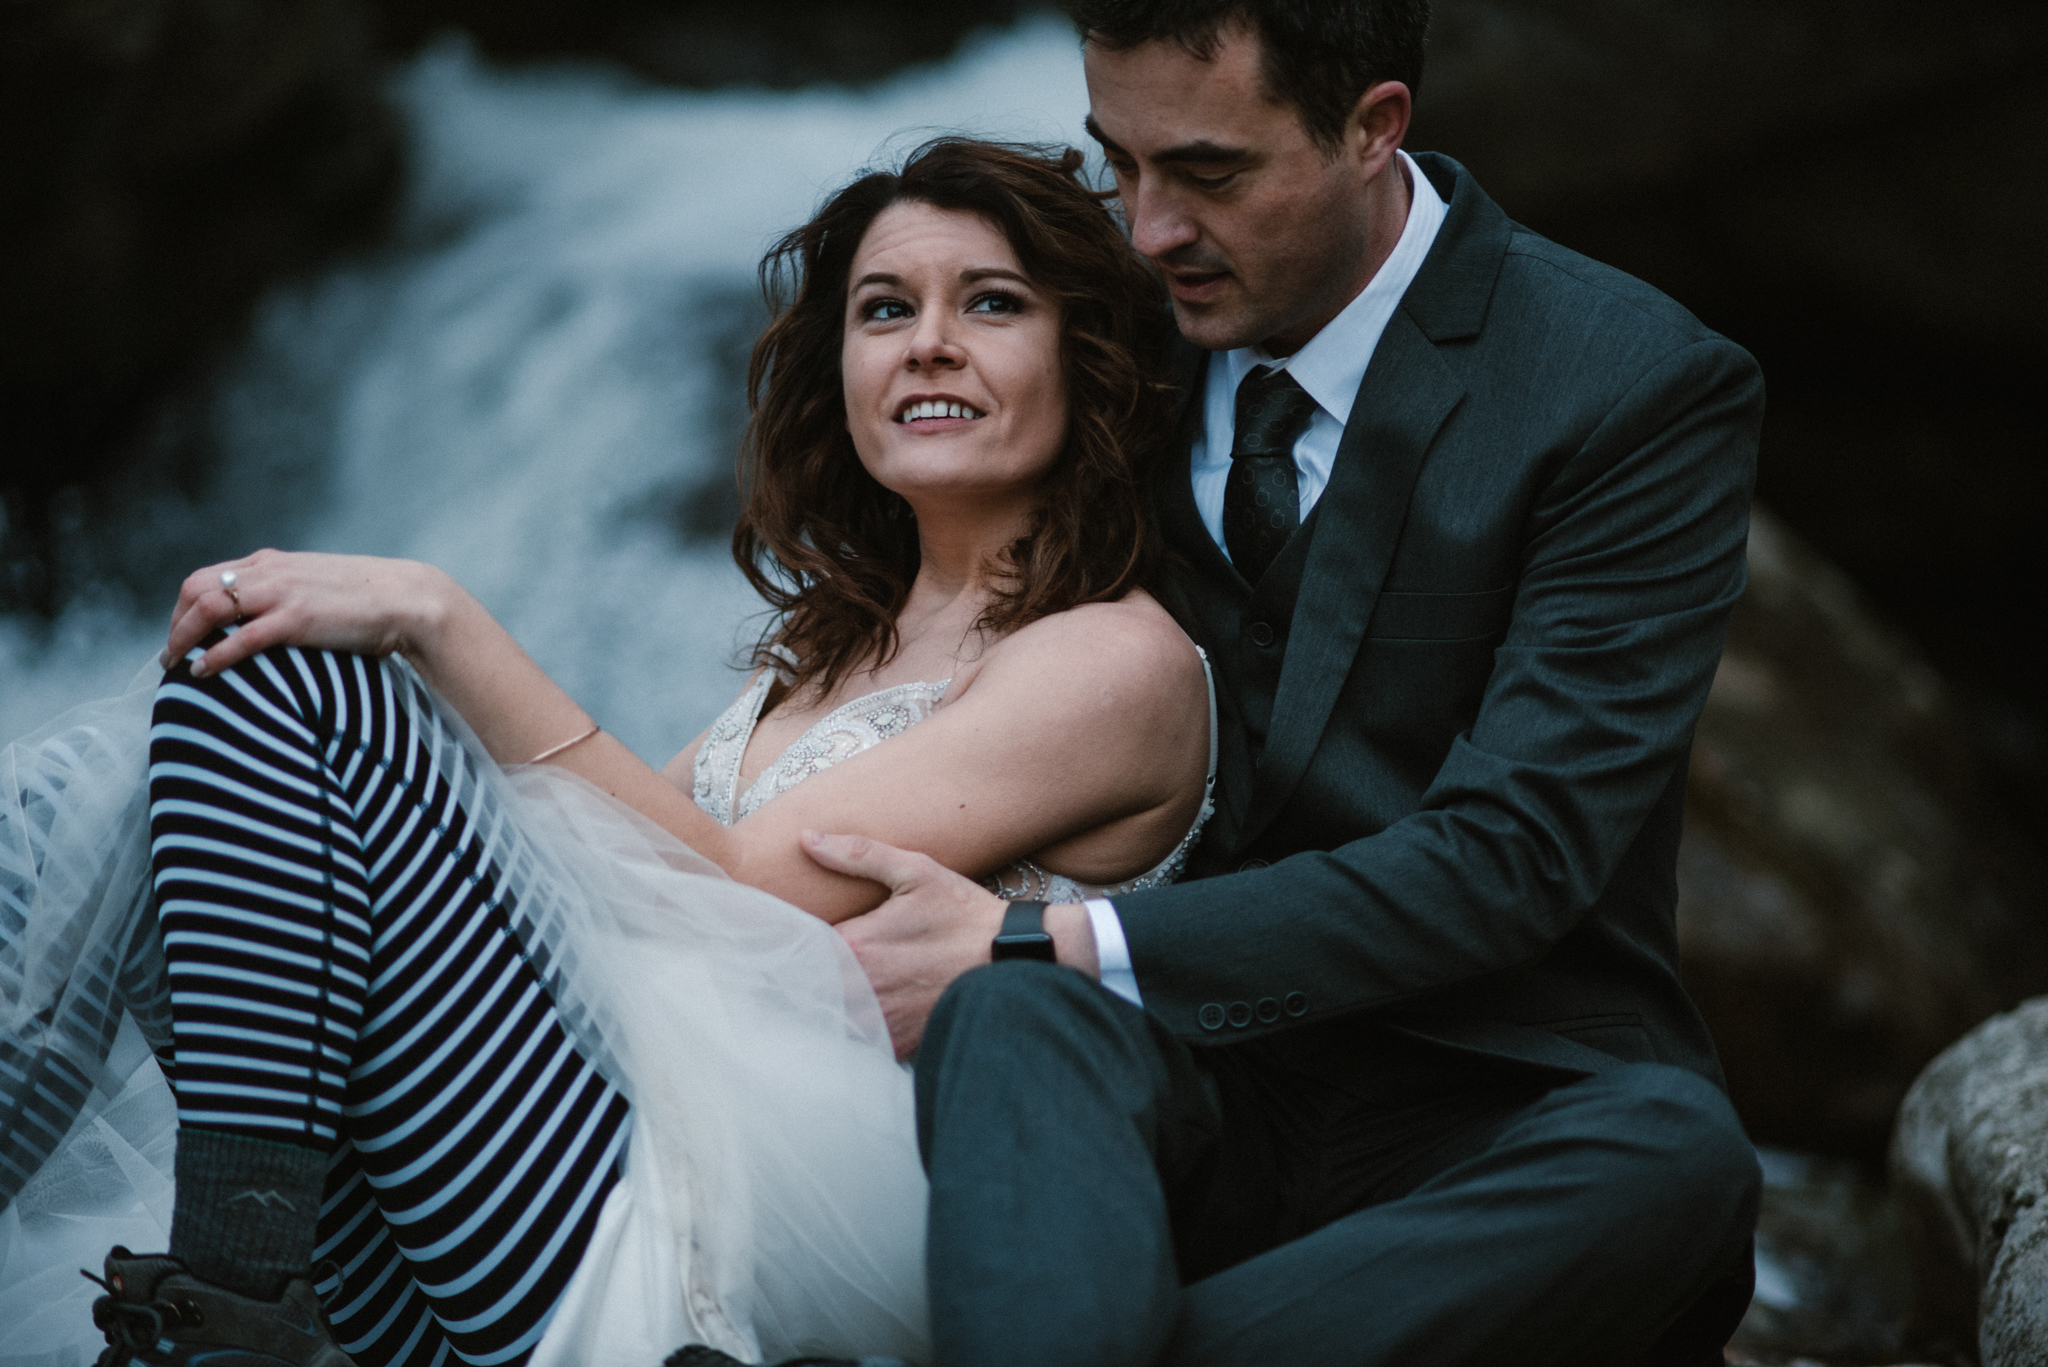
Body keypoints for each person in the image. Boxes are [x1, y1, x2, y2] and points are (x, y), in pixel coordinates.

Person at [0, 139, 1211, 1366]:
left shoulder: (1114, 659)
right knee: (183, 743)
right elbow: (586, 863)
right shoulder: (825, 659)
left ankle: (221, 1305)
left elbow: (735, 905)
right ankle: (230, 1298)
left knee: (294, 680)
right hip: (594, 1169)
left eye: (991, 302)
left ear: (1089, 358)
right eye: (885, 309)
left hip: (785, 1233)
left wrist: (435, 613)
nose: (927, 342)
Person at [806, 3, 1769, 1364]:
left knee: (1680, 1158)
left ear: (1375, 128)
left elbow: (1517, 851)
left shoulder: (1630, 386)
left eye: (1206, 173)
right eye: (1118, 164)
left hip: (1494, 1113)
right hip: (1171, 1106)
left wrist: (1063, 936)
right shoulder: (1110, 331)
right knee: (1010, 1016)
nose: (1146, 230)